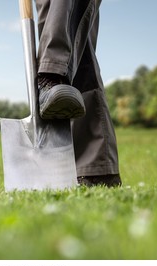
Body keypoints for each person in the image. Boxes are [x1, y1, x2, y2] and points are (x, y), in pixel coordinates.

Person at [34, 0, 122, 187]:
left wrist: (52, 68)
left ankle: (52, 73)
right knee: (73, 29)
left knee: (69, 12)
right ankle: (96, 168)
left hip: (53, 72)